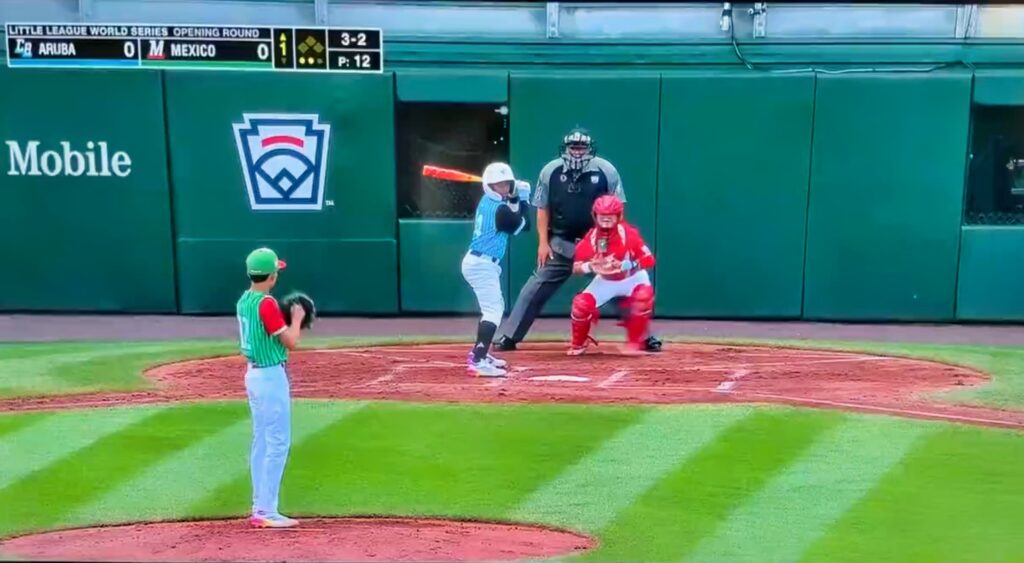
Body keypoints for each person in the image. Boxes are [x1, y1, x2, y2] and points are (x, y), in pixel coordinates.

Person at [493, 126, 662, 352]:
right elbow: (542, 208)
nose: (577, 151)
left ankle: (642, 336)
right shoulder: (550, 172)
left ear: (589, 149)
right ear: (566, 148)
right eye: (573, 147)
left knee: (618, 284)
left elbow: (617, 208)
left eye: (581, 147)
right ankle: (509, 336)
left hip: (599, 242)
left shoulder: (606, 170)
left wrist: (613, 246)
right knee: (535, 287)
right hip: (562, 243)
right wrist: (543, 242)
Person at [236, 247, 306, 528]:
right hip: (269, 377)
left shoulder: (244, 299)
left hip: (253, 375)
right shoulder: (266, 303)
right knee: (277, 442)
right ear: (272, 276)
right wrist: (298, 320)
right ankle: (266, 511)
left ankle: (259, 506)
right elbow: (290, 342)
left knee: (262, 440)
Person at [461, 162, 531, 377]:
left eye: (506, 184)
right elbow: (523, 225)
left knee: (494, 307)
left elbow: (510, 210)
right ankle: (479, 359)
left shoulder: (489, 201)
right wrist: (524, 199)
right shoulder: (499, 211)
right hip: (481, 265)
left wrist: (513, 196)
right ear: (489, 186)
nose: (502, 188)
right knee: (493, 311)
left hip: (482, 263)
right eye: (498, 185)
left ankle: (481, 352)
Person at [567, 195, 657, 355]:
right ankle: (579, 343)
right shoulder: (593, 237)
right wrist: (591, 266)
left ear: (619, 216)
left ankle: (635, 342)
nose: (606, 220)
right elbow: (576, 267)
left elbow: (649, 260)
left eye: (610, 217)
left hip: (631, 277)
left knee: (643, 296)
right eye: (602, 216)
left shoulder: (629, 234)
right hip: (606, 280)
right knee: (581, 305)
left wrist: (627, 264)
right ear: (595, 216)